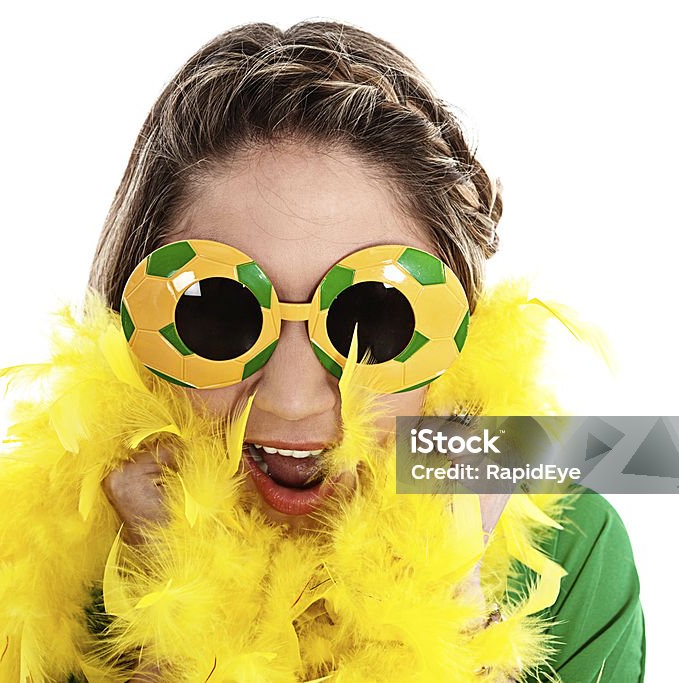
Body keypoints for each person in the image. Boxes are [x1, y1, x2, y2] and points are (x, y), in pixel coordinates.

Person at [90, 20, 646, 682]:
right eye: (217, 312)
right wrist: (175, 636)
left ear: (465, 331)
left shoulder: (570, 555)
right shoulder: (68, 556)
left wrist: (454, 608)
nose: (292, 399)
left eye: (373, 319)